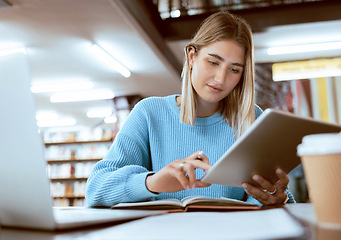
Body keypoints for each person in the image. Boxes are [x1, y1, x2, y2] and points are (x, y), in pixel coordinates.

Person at [85, 11, 295, 207]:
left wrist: (279, 198)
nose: (220, 79)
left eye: (234, 69)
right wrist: (153, 182)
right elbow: (95, 190)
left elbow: (275, 199)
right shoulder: (148, 113)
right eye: (213, 62)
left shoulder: (252, 119)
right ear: (192, 56)